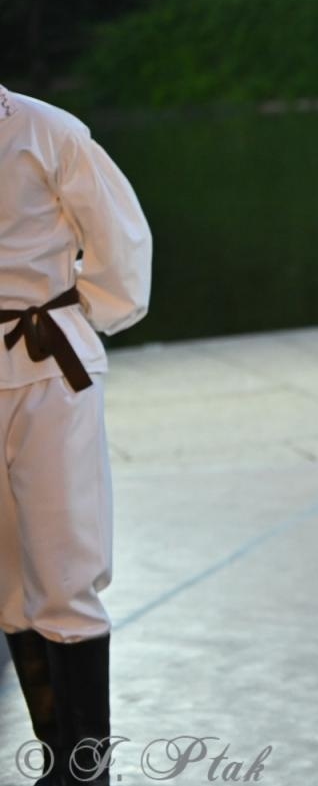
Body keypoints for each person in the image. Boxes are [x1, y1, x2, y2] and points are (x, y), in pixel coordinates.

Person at [1, 83, 153, 786]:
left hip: (49, 369)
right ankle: (55, 756)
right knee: (8, 578)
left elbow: (120, 240)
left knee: (65, 565)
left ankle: (85, 767)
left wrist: (79, 312)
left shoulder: (48, 131)